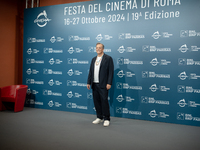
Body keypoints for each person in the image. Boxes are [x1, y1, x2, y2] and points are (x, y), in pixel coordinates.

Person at [87, 42, 114, 127]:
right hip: (94, 84)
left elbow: (110, 72)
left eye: (100, 48)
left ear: (103, 49)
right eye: (97, 47)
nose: (98, 49)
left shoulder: (108, 58)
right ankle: (99, 117)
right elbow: (91, 71)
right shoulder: (93, 59)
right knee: (96, 102)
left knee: (104, 101)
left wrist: (109, 83)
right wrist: (88, 82)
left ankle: (106, 118)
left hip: (103, 84)